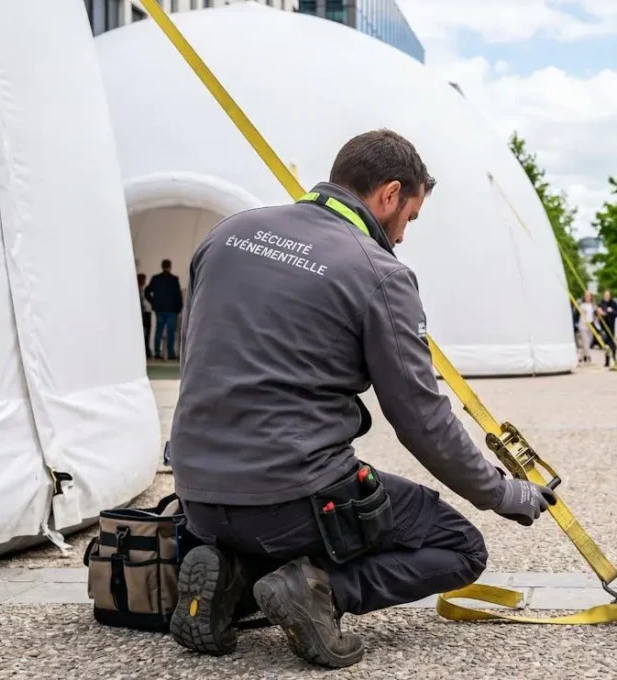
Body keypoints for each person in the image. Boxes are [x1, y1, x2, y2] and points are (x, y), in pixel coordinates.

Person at [166, 130, 557, 668]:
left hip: (198, 499)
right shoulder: (378, 272)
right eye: (408, 219)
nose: (401, 237)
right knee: (459, 546)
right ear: (390, 194)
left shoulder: (227, 234)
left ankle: (230, 579)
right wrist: (503, 493)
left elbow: (195, 359)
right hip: (289, 499)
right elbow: (421, 420)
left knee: (279, 512)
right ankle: (322, 591)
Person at [145, 259, 184, 360]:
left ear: (162, 266)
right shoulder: (174, 279)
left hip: (159, 309)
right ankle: (171, 354)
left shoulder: (155, 279)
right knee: (171, 332)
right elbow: (178, 296)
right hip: (171, 310)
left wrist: (153, 303)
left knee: (159, 331)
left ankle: (157, 353)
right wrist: (179, 308)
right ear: (170, 267)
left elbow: (147, 292)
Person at [598, 289, 617, 366]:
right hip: (603, 326)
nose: (606, 297)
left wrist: (611, 311)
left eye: (608, 295)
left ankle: (614, 358)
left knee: (612, 344)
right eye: (605, 295)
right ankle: (607, 361)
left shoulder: (613, 303)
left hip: (611, 326)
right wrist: (599, 312)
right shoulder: (601, 304)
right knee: (606, 344)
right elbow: (597, 312)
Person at [578, 291, 596, 364]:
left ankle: (581, 357)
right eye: (586, 296)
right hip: (583, 325)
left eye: (589, 296)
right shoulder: (582, 305)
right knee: (586, 341)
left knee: (589, 341)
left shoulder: (592, 305)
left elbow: (595, 314)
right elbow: (581, 312)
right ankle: (588, 357)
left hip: (590, 325)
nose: (588, 297)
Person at [137, 273, 152, 359]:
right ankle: (145, 351)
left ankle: (146, 350)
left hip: (146, 313)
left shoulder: (144, 289)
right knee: (144, 332)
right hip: (143, 314)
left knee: (146, 332)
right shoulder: (138, 290)